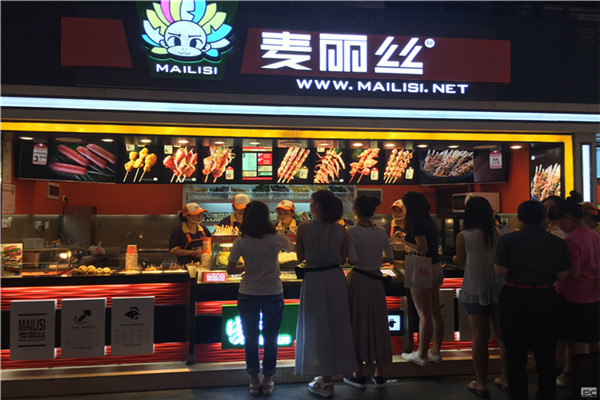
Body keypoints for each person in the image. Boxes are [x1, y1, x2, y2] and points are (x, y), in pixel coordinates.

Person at [495, 200, 570, 400]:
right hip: (546, 298)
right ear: (544, 217)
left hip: (515, 297)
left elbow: (500, 270)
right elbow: (563, 276)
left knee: (515, 354)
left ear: (520, 218)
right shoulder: (558, 242)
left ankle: (518, 395)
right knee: (546, 354)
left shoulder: (508, 240)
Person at [226, 201, 295, 397]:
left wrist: (246, 267)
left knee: (250, 338)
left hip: (248, 293)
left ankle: (254, 380)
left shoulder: (241, 240)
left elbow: (230, 269)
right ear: (266, 217)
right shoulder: (276, 238)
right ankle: (267, 379)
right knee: (271, 338)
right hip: (273, 292)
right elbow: (294, 249)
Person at [294, 190, 356, 398]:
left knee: (316, 326)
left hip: (313, 279)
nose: (309, 205)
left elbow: (300, 257)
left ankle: (324, 378)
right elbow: (342, 259)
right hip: (336, 278)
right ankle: (328, 376)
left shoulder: (303, 228)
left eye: (311, 202)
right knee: (336, 325)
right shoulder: (342, 230)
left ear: (318, 205)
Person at [455, 197, 508, 397]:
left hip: (474, 288)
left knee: (479, 337)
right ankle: (506, 378)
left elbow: (461, 263)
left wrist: (457, 258)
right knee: (503, 339)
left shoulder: (463, 236)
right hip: (500, 289)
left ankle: (481, 383)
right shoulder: (501, 233)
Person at [343, 195, 394, 390]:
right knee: (378, 322)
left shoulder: (351, 231)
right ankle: (380, 374)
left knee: (358, 323)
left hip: (358, 280)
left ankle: (359, 374)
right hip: (376, 281)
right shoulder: (380, 231)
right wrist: (374, 259)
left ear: (355, 210)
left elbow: (352, 260)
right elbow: (389, 256)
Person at [555, 197, 600, 398]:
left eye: (559, 220)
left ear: (568, 217)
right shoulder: (594, 236)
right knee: (594, 344)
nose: (558, 225)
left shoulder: (572, 240)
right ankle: (593, 392)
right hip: (595, 295)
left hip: (575, 297)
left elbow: (573, 272)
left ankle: (584, 394)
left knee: (579, 348)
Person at [397, 191, 445, 366]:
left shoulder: (416, 223)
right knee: (435, 313)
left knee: (423, 314)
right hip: (435, 266)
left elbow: (422, 248)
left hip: (420, 267)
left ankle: (422, 355)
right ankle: (435, 352)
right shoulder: (428, 221)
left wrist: (402, 241)